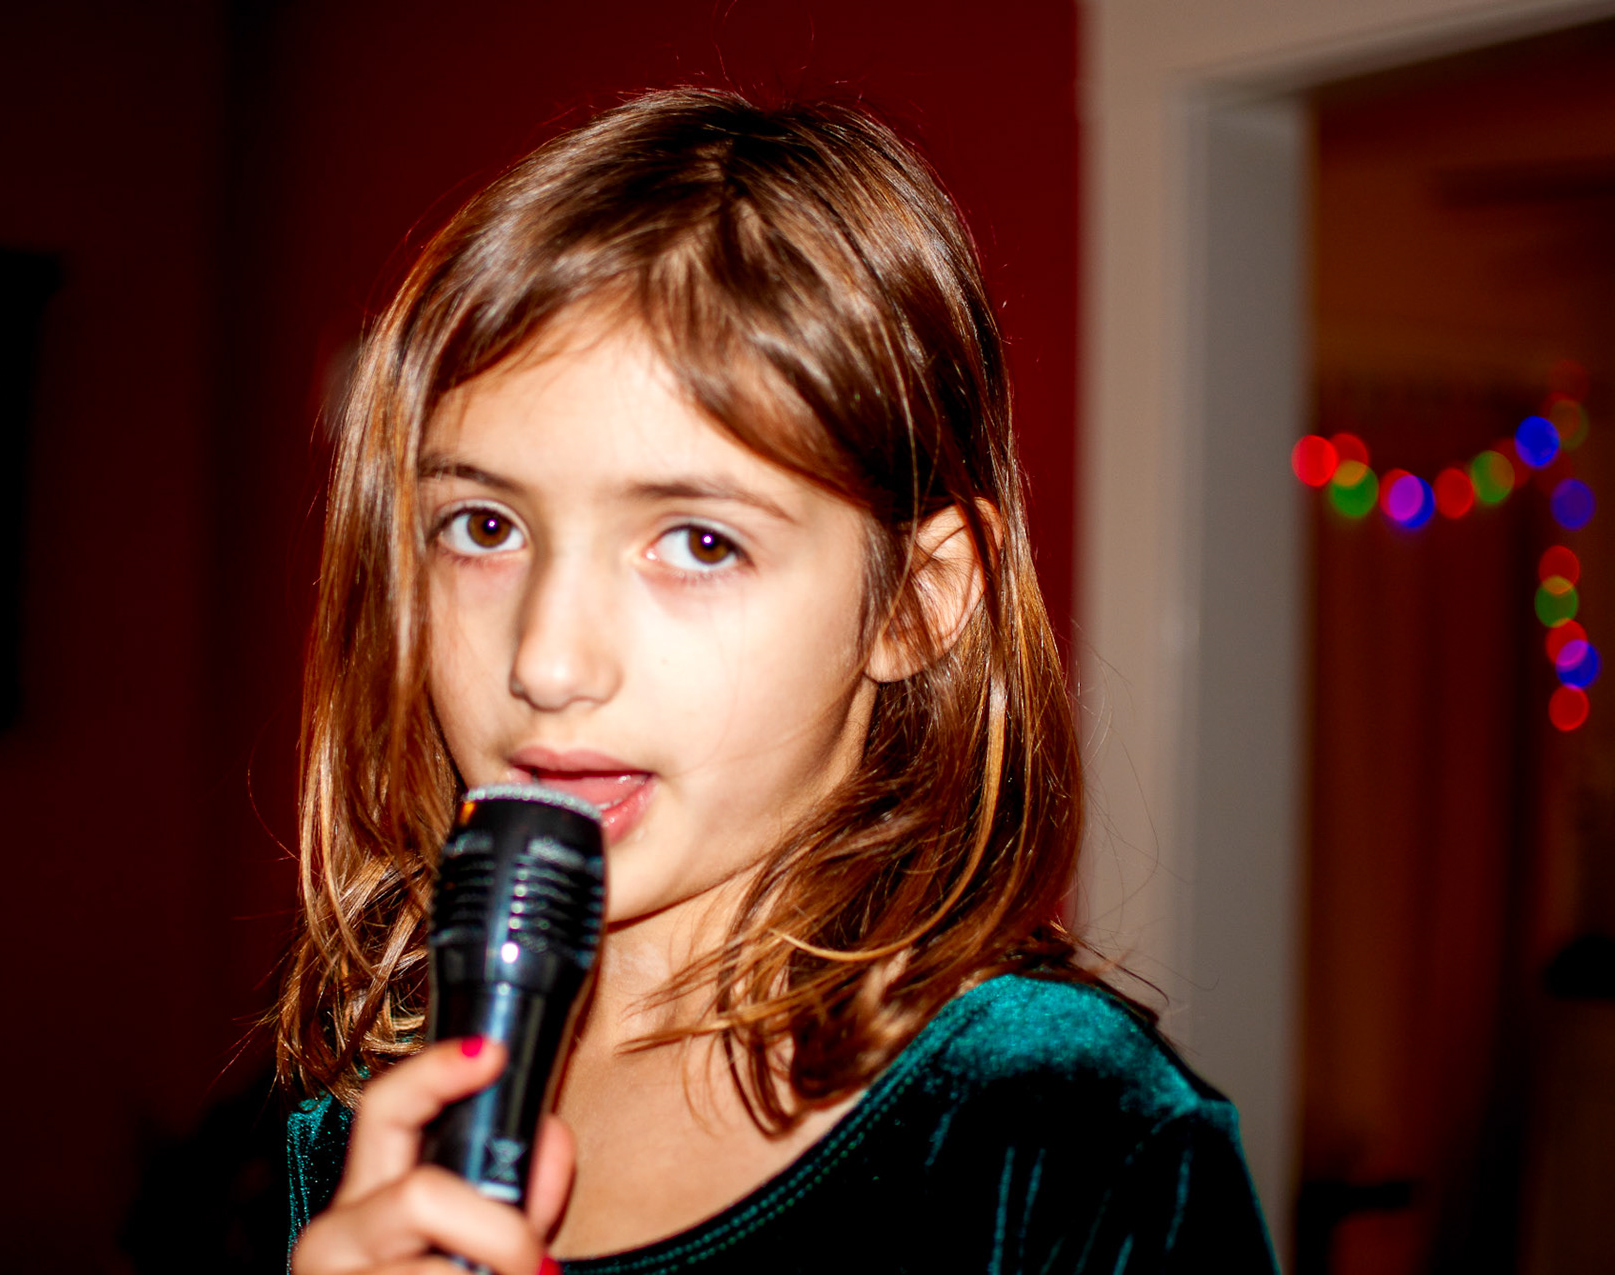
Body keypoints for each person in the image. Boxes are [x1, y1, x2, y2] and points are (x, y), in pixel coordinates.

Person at [275, 88, 1280, 1274]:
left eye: (700, 542)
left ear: (916, 601)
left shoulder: (1060, 1129)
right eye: (484, 527)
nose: (546, 662)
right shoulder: (369, 1134)